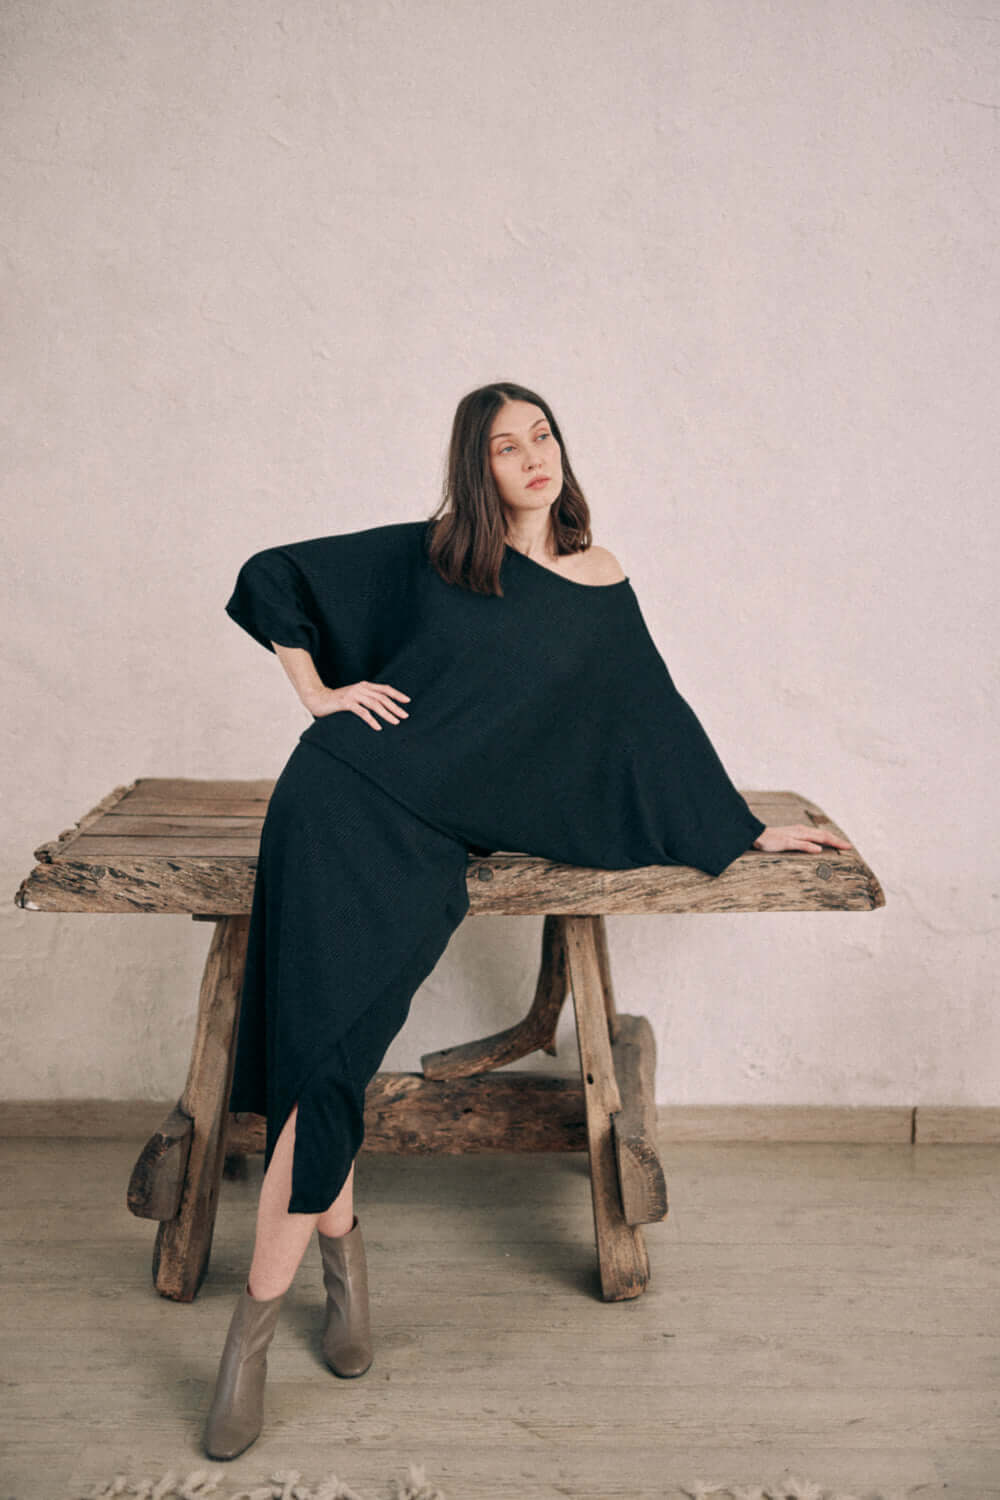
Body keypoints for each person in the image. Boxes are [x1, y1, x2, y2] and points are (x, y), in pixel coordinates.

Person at [203, 380, 851, 1459]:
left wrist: (739, 831)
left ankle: (338, 1257)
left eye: (540, 435)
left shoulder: (600, 582)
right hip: (340, 796)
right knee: (315, 1053)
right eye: (503, 447)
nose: (530, 457)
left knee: (330, 1049)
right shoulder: (442, 554)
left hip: (430, 839)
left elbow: (653, 723)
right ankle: (257, 1337)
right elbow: (275, 576)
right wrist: (317, 693)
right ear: (479, 467)